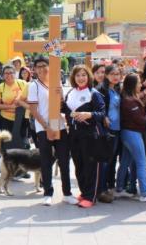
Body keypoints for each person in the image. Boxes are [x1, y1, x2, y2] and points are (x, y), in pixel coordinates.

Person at [25, 57, 77, 206]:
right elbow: (34, 110)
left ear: (50, 67)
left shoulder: (56, 82)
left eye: (44, 66)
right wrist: (46, 126)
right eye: (38, 66)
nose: (41, 69)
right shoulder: (33, 85)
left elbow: (61, 105)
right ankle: (48, 192)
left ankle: (67, 193)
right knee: (46, 161)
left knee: (64, 161)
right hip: (43, 128)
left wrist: (61, 95)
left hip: (59, 125)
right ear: (34, 69)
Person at [62, 65, 105, 208]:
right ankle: (84, 191)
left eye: (83, 75)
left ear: (88, 76)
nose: (81, 78)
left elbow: (102, 113)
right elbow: (64, 110)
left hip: (91, 135)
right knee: (79, 165)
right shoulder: (70, 93)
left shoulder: (94, 93)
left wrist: (90, 114)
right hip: (74, 135)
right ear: (73, 78)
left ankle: (91, 196)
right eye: (78, 75)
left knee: (91, 166)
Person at [114, 73, 146, 202]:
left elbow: (138, 110)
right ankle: (144, 194)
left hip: (127, 134)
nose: (141, 85)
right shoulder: (130, 101)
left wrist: (144, 98)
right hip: (133, 134)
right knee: (142, 163)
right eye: (139, 83)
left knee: (124, 163)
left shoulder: (129, 98)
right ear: (133, 85)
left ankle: (119, 189)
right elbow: (141, 120)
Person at [95, 64, 122, 203]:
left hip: (117, 129)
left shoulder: (116, 89)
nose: (116, 77)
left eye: (118, 74)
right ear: (106, 75)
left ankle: (110, 186)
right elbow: (98, 108)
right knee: (105, 160)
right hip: (107, 130)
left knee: (112, 160)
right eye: (113, 74)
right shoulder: (101, 90)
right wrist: (103, 117)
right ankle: (101, 189)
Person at [0, 65, 28, 142]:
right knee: (7, 144)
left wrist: (20, 102)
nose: (9, 75)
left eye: (11, 73)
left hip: (21, 119)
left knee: (21, 143)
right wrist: (12, 106)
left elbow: (30, 99)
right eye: (6, 73)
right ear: (2, 75)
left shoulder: (23, 84)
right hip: (5, 119)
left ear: (15, 74)